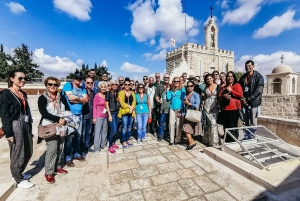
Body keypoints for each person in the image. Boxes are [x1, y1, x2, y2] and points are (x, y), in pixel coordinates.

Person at [0, 70, 34, 188]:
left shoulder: (23, 93)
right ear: (11, 79)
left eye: (24, 78)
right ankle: (18, 179)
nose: (23, 80)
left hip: (25, 123)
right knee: (17, 152)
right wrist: (8, 132)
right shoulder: (6, 94)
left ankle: (18, 172)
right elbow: (4, 115)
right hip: (15, 125)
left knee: (28, 150)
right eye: (20, 78)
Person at [38, 76, 68, 184]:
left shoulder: (61, 97)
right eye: (50, 84)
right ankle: (49, 172)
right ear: (46, 85)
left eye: (55, 85)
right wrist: (58, 119)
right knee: (52, 149)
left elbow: (67, 109)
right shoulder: (42, 98)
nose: (52, 86)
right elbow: (44, 113)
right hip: (49, 126)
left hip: (61, 125)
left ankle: (57, 166)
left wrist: (64, 119)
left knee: (60, 147)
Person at [62, 71, 88, 167]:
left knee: (78, 136)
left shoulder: (82, 88)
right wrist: (81, 99)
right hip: (70, 115)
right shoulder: (68, 85)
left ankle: (76, 154)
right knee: (69, 138)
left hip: (79, 115)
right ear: (74, 78)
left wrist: (76, 98)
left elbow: (86, 99)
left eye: (81, 78)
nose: (79, 80)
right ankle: (68, 157)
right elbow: (70, 98)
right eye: (77, 78)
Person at [239, 60, 264, 139]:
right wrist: (243, 99)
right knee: (245, 121)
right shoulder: (243, 77)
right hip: (244, 103)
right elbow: (240, 88)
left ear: (253, 66)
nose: (247, 67)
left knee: (253, 122)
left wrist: (248, 99)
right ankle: (246, 137)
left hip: (254, 103)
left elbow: (259, 91)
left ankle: (252, 137)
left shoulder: (258, 76)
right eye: (246, 66)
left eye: (249, 66)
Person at [219, 71, 243, 142]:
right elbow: (219, 95)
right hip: (225, 109)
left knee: (233, 126)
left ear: (234, 77)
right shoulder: (224, 87)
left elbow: (240, 95)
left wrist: (231, 90)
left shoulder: (237, 85)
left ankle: (233, 141)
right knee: (226, 126)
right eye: (228, 76)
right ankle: (227, 140)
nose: (230, 78)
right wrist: (224, 95)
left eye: (231, 76)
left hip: (233, 108)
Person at [93, 81, 112, 154]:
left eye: (105, 87)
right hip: (98, 116)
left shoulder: (106, 95)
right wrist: (94, 117)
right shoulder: (96, 96)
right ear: (99, 87)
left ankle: (103, 144)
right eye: (102, 87)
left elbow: (107, 106)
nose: (103, 88)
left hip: (105, 116)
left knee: (104, 131)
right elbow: (94, 107)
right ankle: (96, 148)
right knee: (97, 132)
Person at [182, 81, 201, 150]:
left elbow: (197, 105)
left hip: (193, 114)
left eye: (191, 86)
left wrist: (189, 103)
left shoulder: (196, 95)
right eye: (188, 86)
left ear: (193, 87)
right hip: (187, 114)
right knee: (187, 129)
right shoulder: (185, 95)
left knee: (186, 129)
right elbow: (184, 106)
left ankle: (191, 143)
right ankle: (192, 142)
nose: (189, 87)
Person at [167, 77, 186, 145]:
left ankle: (178, 139)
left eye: (177, 81)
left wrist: (183, 109)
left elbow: (183, 99)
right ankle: (171, 140)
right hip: (172, 107)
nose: (176, 82)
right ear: (173, 82)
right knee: (171, 123)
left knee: (178, 124)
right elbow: (168, 98)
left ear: (180, 82)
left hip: (179, 108)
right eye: (175, 81)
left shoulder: (182, 89)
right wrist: (167, 90)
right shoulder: (171, 89)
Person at [118, 78, 136, 148]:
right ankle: (124, 140)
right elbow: (122, 103)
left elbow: (134, 102)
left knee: (129, 127)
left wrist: (132, 108)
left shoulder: (132, 93)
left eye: (129, 84)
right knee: (124, 127)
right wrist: (130, 107)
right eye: (126, 84)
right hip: (124, 112)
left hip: (131, 112)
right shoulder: (120, 93)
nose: (127, 86)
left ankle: (128, 139)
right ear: (124, 85)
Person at [202, 73, 219, 147]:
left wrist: (218, 105)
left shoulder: (217, 86)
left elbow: (219, 97)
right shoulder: (206, 88)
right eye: (207, 79)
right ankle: (207, 140)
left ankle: (215, 141)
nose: (209, 80)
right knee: (208, 124)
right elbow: (204, 98)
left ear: (213, 78)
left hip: (214, 106)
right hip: (207, 107)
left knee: (213, 124)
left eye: (210, 78)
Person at [155, 74, 171, 141]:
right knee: (161, 122)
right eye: (165, 77)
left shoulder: (172, 86)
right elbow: (156, 95)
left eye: (167, 77)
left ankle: (169, 134)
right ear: (163, 78)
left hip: (170, 107)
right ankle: (160, 135)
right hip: (162, 107)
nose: (166, 78)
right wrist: (158, 100)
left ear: (169, 78)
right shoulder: (159, 86)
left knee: (169, 123)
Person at [82, 76, 95, 156]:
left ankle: (86, 146)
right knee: (82, 134)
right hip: (83, 115)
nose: (90, 84)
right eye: (88, 82)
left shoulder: (93, 93)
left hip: (91, 115)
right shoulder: (82, 91)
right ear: (85, 83)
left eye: (91, 83)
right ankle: (82, 149)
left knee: (88, 133)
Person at [106, 80, 120, 154]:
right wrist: (109, 115)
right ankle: (110, 146)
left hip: (117, 112)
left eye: (116, 84)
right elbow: (107, 104)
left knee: (116, 129)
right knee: (113, 130)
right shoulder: (108, 93)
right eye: (113, 84)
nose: (114, 85)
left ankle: (113, 143)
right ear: (111, 85)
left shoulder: (116, 93)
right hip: (111, 113)